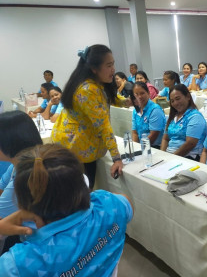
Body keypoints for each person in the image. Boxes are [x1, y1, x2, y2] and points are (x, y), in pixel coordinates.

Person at [0, 143, 134, 276]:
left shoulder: (18, 263)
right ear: (82, 183)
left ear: (24, 206)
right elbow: (127, 202)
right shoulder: (111, 205)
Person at [52, 44, 125, 189]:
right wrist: (117, 158)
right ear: (94, 68)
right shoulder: (88, 89)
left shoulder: (94, 83)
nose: (113, 69)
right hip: (75, 148)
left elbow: (108, 99)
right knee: (80, 194)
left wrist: (127, 101)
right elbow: (103, 126)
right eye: (109, 65)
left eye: (113, 64)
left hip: (78, 145)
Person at [0, 111, 43, 252]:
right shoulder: (19, 164)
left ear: (8, 143)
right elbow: (1, 188)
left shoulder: (25, 177)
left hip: (37, 243)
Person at [161, 84, 207, 161]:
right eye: (172, 101)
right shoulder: (173, 116)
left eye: (178, 99)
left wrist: (171, 158)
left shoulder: (195, 116)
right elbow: (165, 139)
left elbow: (190, 144)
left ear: (188, 97)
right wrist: (162, 156)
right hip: (170, 155)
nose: (175, 103)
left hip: (187, 157)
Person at [132, 82, 166, 148]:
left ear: (148, 93)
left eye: (142, 93)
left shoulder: (155, 110)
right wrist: (135, 147)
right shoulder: (135, 111)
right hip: (142, 145)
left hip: (155, 147)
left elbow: (153, 135)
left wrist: (140, 149)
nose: (139, 97)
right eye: (136, 94)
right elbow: (135, 133)